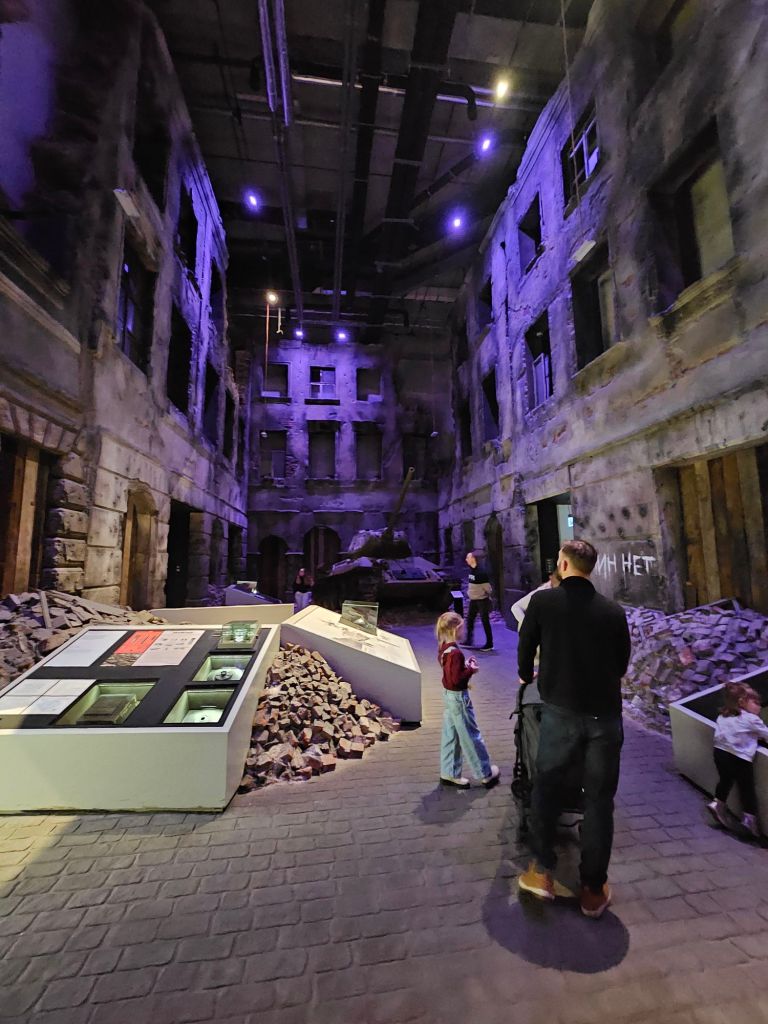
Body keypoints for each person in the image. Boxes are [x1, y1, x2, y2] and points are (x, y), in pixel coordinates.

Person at [516, 539, 631, 919]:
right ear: (590, 568)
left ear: (563, 564)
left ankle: (541, 873)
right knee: (599, 801)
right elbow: (621, 664)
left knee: (546, 789)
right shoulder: (612, 611)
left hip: (560, 714)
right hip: (605, 719)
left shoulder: (544, 602)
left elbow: (525, 646)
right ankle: (593, 890)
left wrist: (525, 675)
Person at [436, 611, 500, 790]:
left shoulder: (444, 648)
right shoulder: (456, 653)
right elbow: (457, 680)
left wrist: (465, 667)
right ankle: (485, 773)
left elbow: (451, 674)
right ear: (456, 629)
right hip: (459, 698)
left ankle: (449, 771)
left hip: (449, 697)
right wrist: (471, 670)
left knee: (451, 734)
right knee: (471, 736)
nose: (463, 631)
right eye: (462, 628)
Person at [707, 682, 768, 838]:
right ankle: (749, 820)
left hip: (719, 753)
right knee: (746, 788)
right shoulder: (751, 719)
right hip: (739, 758)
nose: (759, 706)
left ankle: (718, 803)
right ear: (742, 702)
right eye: (756, 702)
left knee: (725, 780)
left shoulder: (723, 716)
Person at [465, 551, 493, 651]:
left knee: (485, 621)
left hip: (482, 600)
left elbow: (488, 588)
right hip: (473, 600)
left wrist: (484, 595)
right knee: (470, 620)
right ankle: (469, 640)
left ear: (473, 559)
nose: (466, 560)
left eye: (468, 557)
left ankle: (489, 643)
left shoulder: (481, 573)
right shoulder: (471, 571)